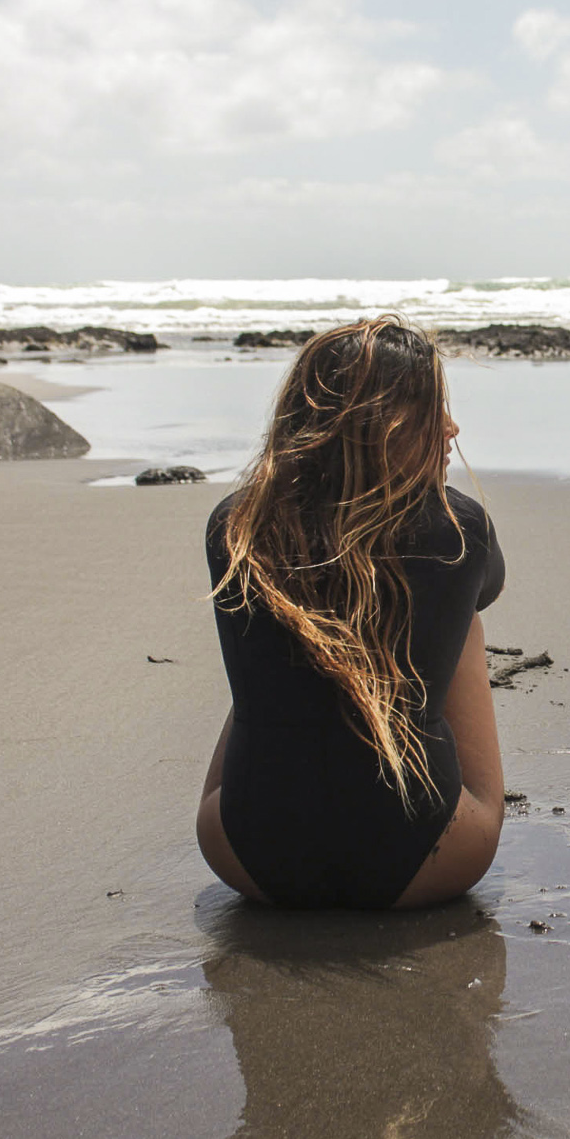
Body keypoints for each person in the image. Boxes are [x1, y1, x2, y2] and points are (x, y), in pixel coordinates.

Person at [196, 316, 506, 909]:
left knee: (286, 627)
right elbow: (486, 591)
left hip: (246, 857)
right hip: (427, 858)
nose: (451, 427)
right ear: (384, 425)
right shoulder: (458, 527)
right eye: (432, 410)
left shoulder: (235, 523)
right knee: (465, 622)